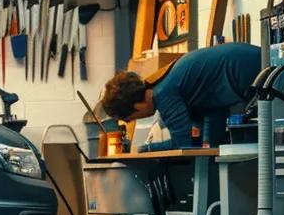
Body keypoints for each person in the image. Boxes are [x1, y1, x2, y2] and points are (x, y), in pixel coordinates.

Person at [99, 43, 262, 152]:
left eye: (131, 118)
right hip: (254, 65)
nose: (137, 119)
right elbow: (208, 129)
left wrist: (146, 149)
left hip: (255, 74)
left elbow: (184, 146)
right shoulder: (166, 82)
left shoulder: (164, 94)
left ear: (137, 107)